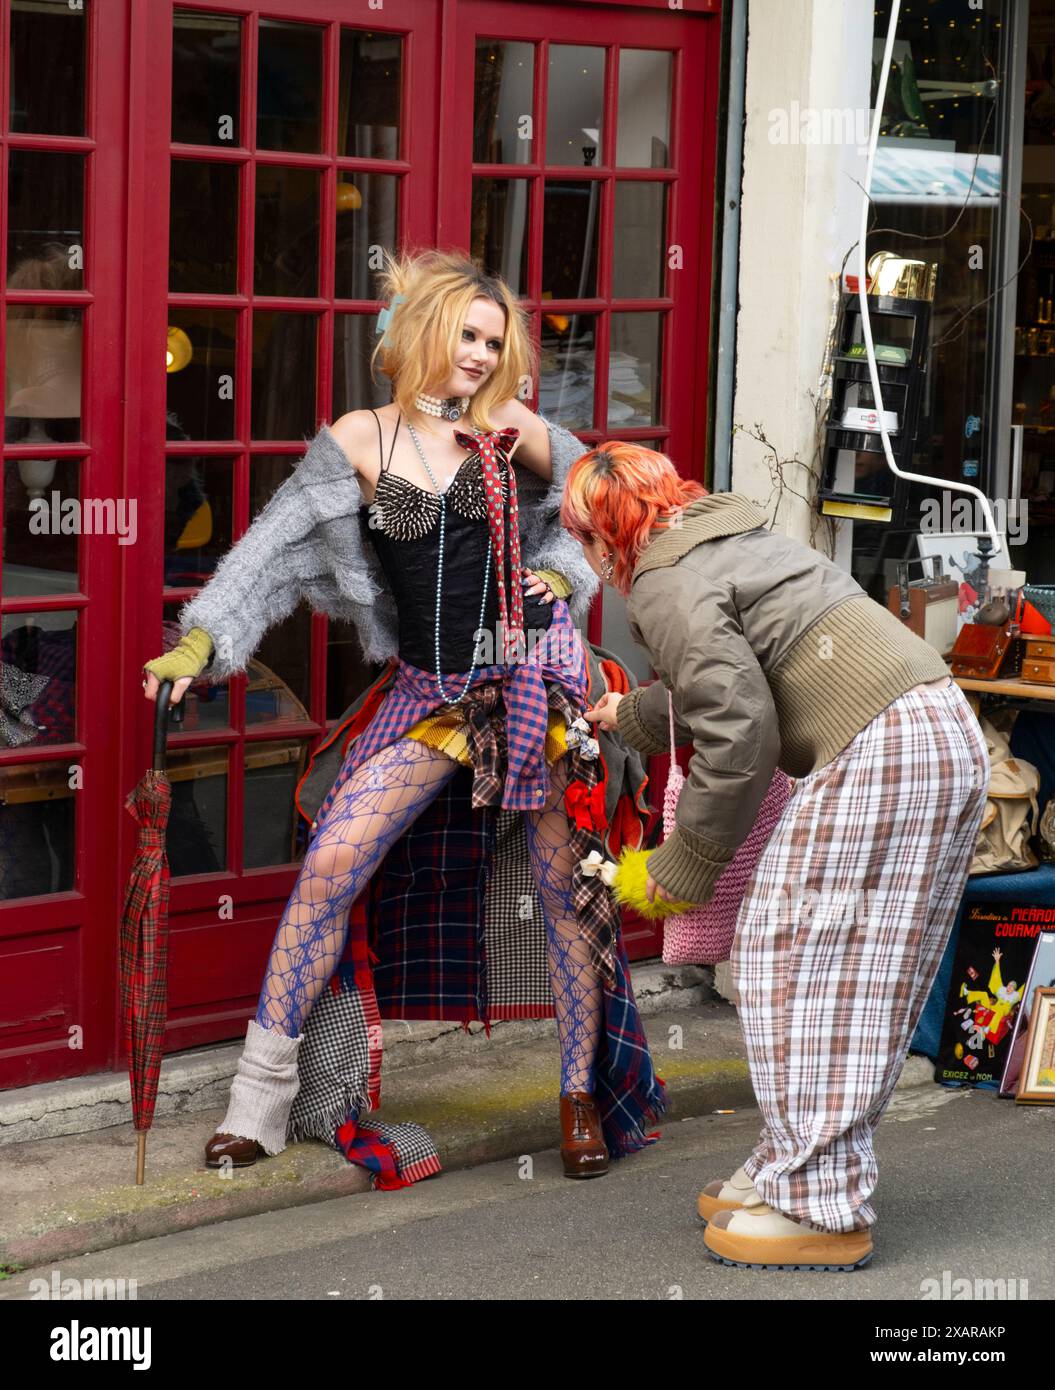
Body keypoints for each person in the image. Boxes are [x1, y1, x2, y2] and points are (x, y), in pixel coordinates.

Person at [142, 249, 665, 1187]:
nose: (475, 356)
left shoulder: (508, 426)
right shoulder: (359, 439)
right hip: (430, 693)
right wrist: (200, 643)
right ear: (423, 330)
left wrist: (560, 573)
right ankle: (256, 1103)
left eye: (492, 342)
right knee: (333, 860)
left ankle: (580, 1094)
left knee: (564, 890)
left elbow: (606, 494)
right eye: (465, 334)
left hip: (534, 680)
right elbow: (267, 554)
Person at [562, 440, 990, 1270]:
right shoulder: (728, 537)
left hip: (879, 749)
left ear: (603, 532)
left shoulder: (662, 578)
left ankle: (819, 1206)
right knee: (845, 966)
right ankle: (793, 1168)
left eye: (581, 536)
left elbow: (737, 727)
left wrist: (680, 868)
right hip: (931, 730)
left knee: (799, 962)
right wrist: (638, 717)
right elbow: (735, 677)